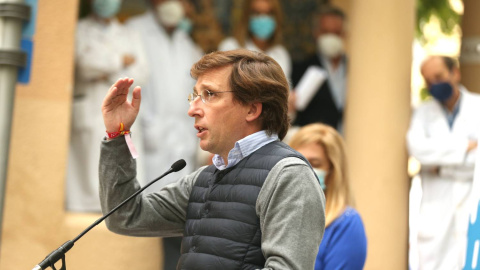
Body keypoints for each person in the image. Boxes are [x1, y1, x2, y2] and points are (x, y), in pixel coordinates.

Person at [99, 49, 326, 269]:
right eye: (194, 95)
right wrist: (117, 135)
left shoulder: (289, 176)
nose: (192, 109)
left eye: (209, 94)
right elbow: (124, 216)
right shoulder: (203, 179)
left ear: (252, 110)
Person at [124, 0, 203, 267]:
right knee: (147, 218)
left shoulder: (187, 43)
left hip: (180, 147)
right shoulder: (134, 31)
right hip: (146, 141)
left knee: (178, 223)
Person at [67, 0, 148, 212]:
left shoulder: (129, 34)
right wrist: (121, 60)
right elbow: (85, 66)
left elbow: (142, 73)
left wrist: (104, 69)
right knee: (88, 168)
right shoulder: (79, 29)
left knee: (122, 162)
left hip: (120, 111)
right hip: (90, 108)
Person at [407, 55, 480, 270]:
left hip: (471, 202)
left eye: (438, 76)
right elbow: (418, 150)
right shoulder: (422, 113)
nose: (434, 84)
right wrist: (464, 147)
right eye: (428, 81)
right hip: (436, 212)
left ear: (455, 73)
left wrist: (440, 167)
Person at [289, 123, 367, 269]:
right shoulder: (278, 215)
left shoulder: (345, 223)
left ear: (333, 173)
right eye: (297, 160)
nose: (303, 170)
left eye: (315, 163)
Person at [290, 5, 347, 131]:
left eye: (336, 32)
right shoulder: (300, 70)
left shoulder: (355, 70)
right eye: (326, 32)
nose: (331, 38)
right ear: (316, 33)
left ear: (344, 34)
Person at [218, 0, 292, 82]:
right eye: (257, 13)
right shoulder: (231, 47)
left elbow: (285, 89)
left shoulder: (281, 53)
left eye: (269, 13)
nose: (263, 19)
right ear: (247, 16)